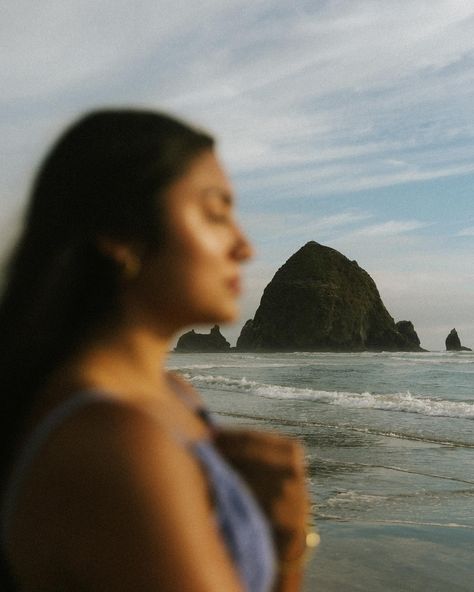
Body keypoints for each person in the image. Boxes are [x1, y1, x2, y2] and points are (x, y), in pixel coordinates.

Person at [0, 109, 316, 591]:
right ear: (120, 233)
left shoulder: (174, 396)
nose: (244, 246)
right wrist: (289, 545)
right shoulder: (117, 443)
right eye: (215, 214)